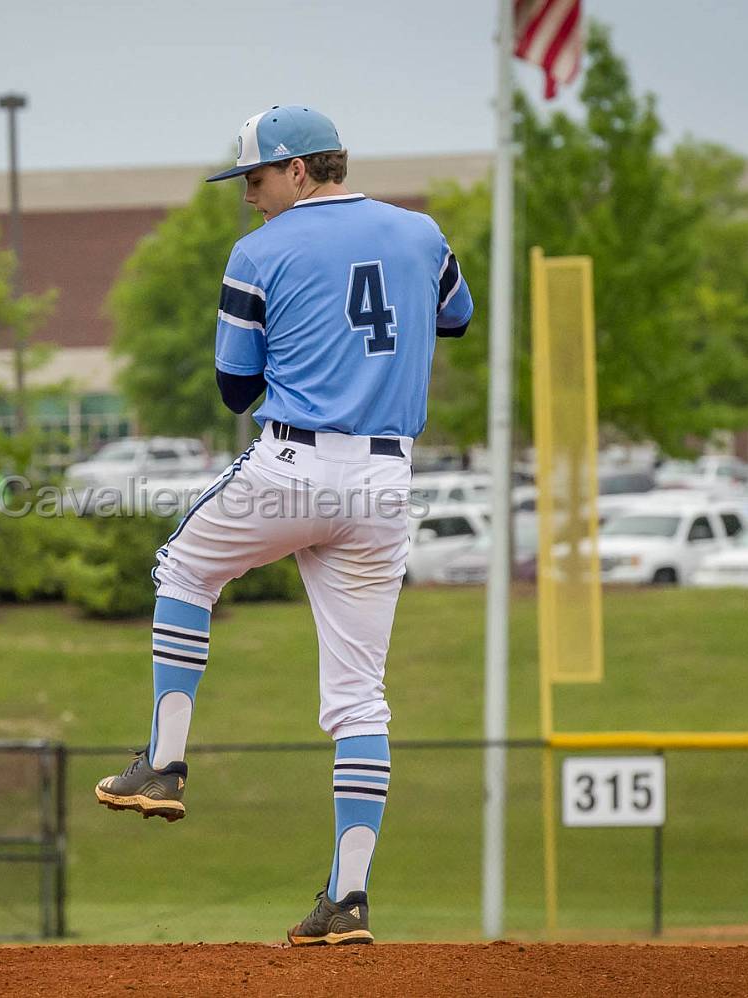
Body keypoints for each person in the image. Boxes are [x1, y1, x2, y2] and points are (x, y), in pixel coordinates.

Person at [94, 105, 474, 945]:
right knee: (359, 697)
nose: (248, 197)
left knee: (183, 571)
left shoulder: (259, 252)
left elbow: (235, 388)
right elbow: (457, 317)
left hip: (296, 463)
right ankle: (348, 900)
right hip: (385, 480)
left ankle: (163, 763)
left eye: (256, 179)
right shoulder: (421, 234)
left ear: (300, 170)